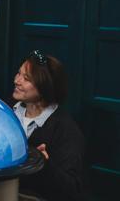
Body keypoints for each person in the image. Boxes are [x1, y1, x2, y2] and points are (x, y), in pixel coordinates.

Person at [13, 50, 85, 201]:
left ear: (45, 86)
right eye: (18, 74)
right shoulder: (5, 110)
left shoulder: (66, 129)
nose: (17, 81)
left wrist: (45, 165)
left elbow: (71, 191)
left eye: (26, 78)